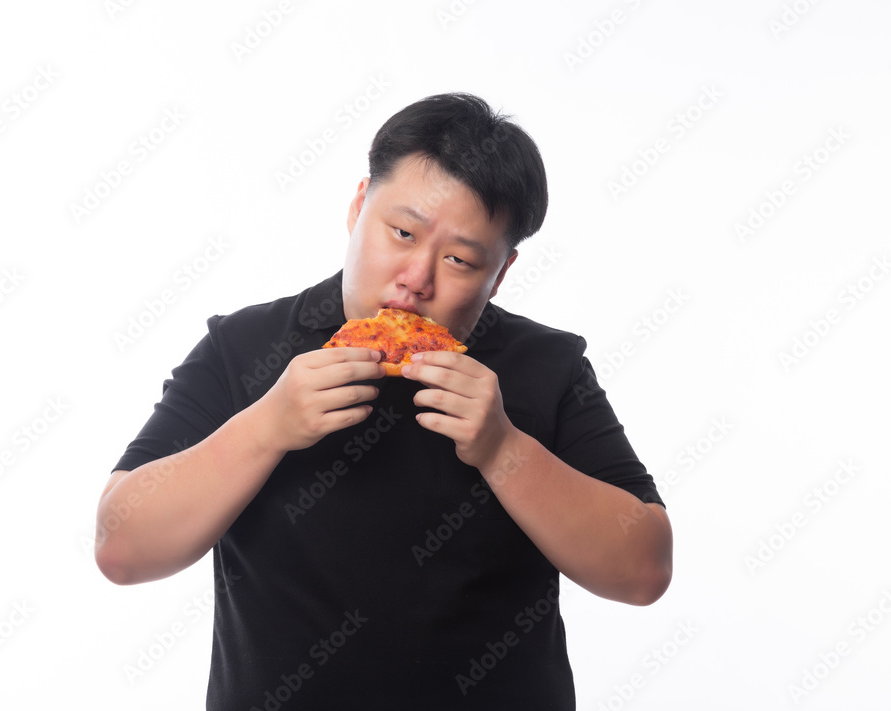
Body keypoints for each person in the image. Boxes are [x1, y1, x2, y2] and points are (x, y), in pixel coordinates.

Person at [95, 92, 672, 710]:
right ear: (357, 207)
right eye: (401, 233)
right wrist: (266, 427)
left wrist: (503, 448)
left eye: (459, 259)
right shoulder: (245, 348)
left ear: (500, 273)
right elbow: (122, 548)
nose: (416, 279)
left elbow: (643, 571)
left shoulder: (547, 367)